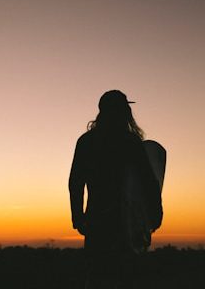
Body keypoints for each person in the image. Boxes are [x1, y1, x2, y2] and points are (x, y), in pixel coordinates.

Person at [69, 90, 162, 289]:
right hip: (125, 223)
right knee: (123, 277)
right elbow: (148, 181)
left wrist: (78, 218)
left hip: (96, 219)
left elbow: (75, 183)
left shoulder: (86, 142)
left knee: (98, 276)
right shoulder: (130, 142)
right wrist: (155, 213)